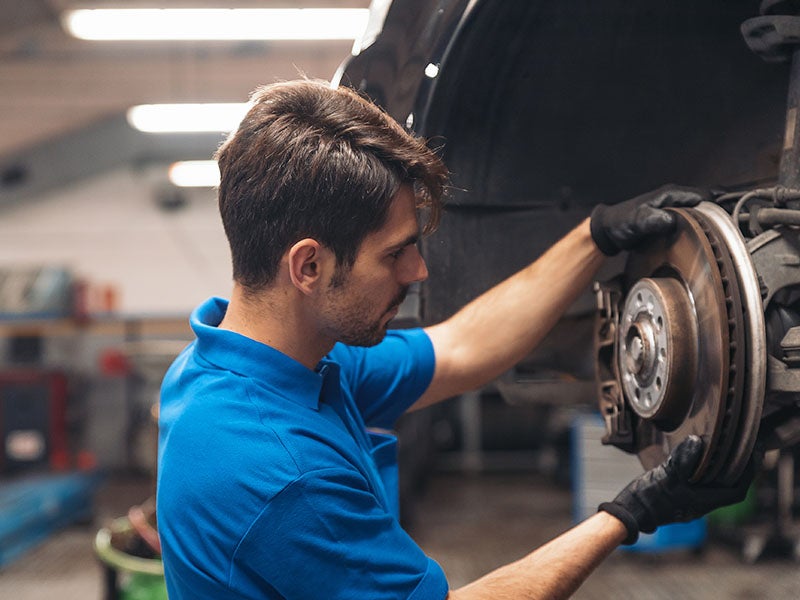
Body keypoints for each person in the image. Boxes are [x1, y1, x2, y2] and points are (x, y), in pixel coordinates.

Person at [157, 79, 752, 599]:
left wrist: (594, 237)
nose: (418, 271)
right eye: (395, 253)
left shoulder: (244, 366)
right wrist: (630, 513)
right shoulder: (280, 473)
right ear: (307, 267)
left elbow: (461, 348)